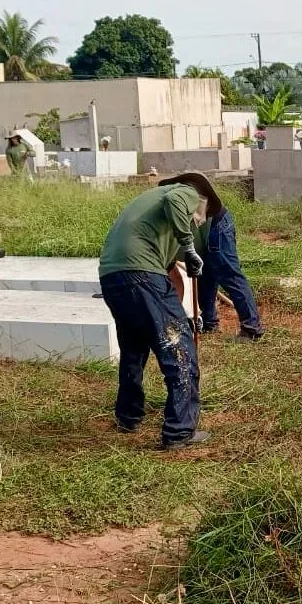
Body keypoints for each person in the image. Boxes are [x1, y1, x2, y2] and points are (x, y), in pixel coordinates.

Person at [98, 172, 222, 451]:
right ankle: (179, 431)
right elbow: (177, 203)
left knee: (133, 348)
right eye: (202, 215)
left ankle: (128, 416)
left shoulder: (150, 208)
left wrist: (182, 314)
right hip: (141, 274)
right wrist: (190, 247)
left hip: (114, 277)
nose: (200, 220)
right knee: (180, 350)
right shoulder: (186, 193)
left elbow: (168, 279)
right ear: (201, 199)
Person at [186, 203, 265, 342]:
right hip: (201, 226)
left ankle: (251, 329)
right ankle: (207, 323)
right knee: (205, 274)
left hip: (215, 224)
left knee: (229, 275)